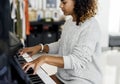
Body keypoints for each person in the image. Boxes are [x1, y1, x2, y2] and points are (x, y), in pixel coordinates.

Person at [20, 0, 102, 84]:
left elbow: (77, 60)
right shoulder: (69, 22)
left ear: (78, 2)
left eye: (64, 2)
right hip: (62, 77)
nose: (60, 6)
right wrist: (40, 47)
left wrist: (44, 58)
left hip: (82, 80)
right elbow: (61, 44)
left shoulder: (91, 26)